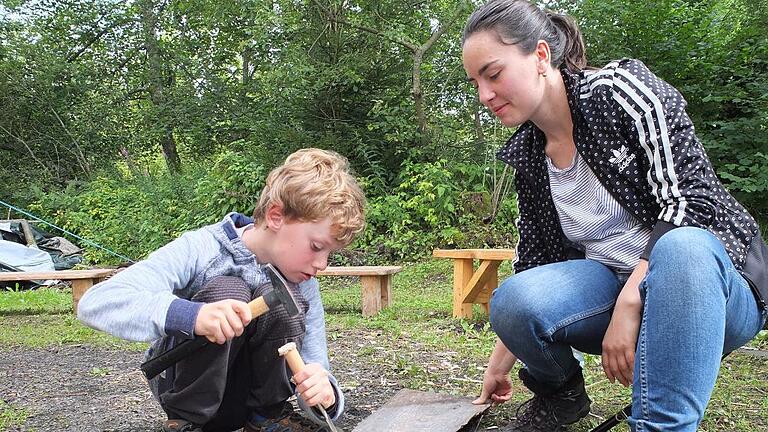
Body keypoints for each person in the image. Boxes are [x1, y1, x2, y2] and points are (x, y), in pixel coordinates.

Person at [461, 1, 768, 431]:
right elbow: (536, 264)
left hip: (707, 288)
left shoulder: (618, 93)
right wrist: (501, 361)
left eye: (493, 74)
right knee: (513, 298)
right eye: (475, 81)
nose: (484, 94)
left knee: (683, 246)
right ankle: (562, 396)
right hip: (612, 284)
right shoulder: (529, 154)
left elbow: (694, 203)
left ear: (542, 57)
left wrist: (631, 300)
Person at [77, 148, 366, 432]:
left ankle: (268, 417)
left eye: (330, 253)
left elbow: (316, 366)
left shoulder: (301, 279)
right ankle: (188, 422)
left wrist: (325, 395)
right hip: (186, 393)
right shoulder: (200, 249)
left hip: (246, 402)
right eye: (316, 247)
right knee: (229, 289)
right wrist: (192, 316)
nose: (322, 264)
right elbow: (96, 302)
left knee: (279, 300)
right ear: (276, 216)